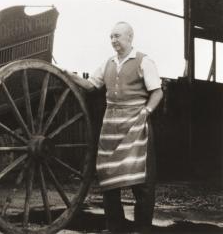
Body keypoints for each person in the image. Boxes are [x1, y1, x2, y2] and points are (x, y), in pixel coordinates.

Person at [68, 21, 163, 233]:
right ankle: (114, 227)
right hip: (110, 127)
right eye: (111, 36)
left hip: (136, 126)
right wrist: (68, 75)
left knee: (142, 182)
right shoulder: (108, 63)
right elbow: (91, 85)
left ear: (130, 38)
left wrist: (146, 111)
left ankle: (142, 229)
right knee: (109, 178)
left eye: (117, 36)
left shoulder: (144, 61)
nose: (113, 40)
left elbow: (157, 92)